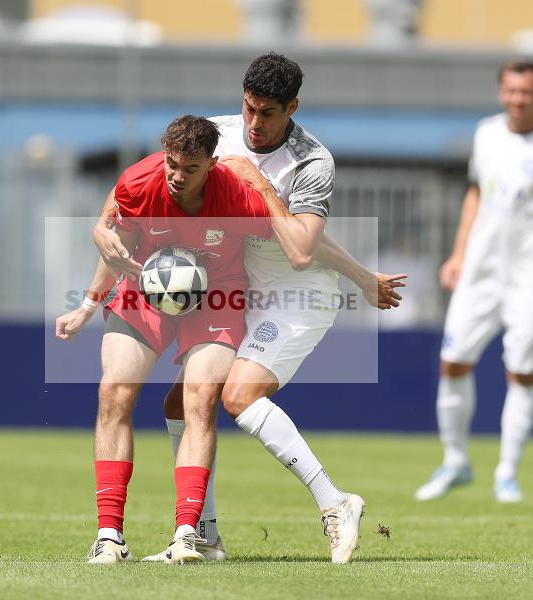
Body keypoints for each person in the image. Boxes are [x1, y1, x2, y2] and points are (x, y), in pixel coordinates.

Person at [93, 53, 407, 564]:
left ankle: (336, 504)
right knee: (181, 405)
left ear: (293, 108)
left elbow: (305, 251)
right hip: (237, 287)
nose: (254, 124)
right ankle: (205, 538)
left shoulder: (311, 162)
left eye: (267, 114)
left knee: (237, 396)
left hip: (295, 294)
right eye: (248, 108)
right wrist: (100, 231)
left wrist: (262, 186)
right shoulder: (217, 134)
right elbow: (134, 187)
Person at [56, 115, 275, 564]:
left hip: (217, 297)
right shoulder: (138, 181)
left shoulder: (238, 198)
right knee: (113, 392)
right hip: (143, 290)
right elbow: (111, 241)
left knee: (199, 401)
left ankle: (186, 535)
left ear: (212, 164)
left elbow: (287, 242)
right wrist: (87, 305)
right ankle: (109, 536)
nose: (176, 177)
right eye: (172, 164)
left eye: (189, 169)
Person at [414, 59, 533, 503]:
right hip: (479, 271)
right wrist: (457, 254)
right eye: (512, 91)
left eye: (527, 92)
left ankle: (507, 472)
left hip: (530, 274)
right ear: (502, 93)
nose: (519, 99)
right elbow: (475, 194)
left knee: (523, 372)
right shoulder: (485, 133)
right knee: (453, 362)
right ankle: (455, 462)